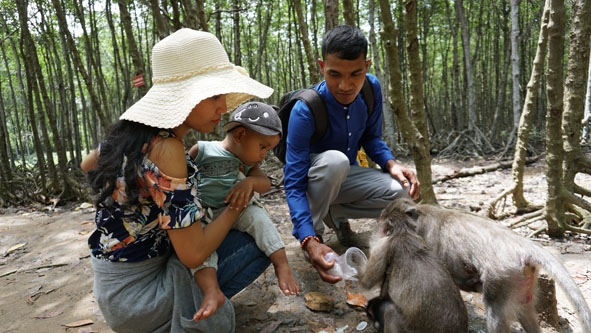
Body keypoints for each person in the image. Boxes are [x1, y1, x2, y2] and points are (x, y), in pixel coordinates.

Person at [80, 28, 275, 332]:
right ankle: (173, 316)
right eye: (213, 96)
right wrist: (239, 204)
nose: (223, 107)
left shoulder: (133, 135)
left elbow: (88, 163)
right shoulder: (167, 147)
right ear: (184, 96)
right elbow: (194, 253)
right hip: (139, 297)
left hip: (113, 289)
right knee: (258, 240)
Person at [282, 25, 421, 284]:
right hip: (316, 178)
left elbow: (371, 138)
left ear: (366, 66)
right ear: (322, 67)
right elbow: (294, 182)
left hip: (343, 179)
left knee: (401, 193)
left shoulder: (371, 89)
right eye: (334, 74)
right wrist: (308, 239)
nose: (345, 85)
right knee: (335, 161)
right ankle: (314, 237)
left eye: (355, 74)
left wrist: (390, 163)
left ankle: (337, 215)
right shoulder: (305, 109)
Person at [187, 101, 300, 297]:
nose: (264, 155)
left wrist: (250, 183)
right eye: (263, 147)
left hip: (235, 212)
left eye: (268, 150)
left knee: (258, 217)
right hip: (204, 215)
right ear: (239, 135)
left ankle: (282, 264)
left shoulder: (246, 163)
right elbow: (183, 177)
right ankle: (210, 290)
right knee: (203, 254)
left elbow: (265, 183)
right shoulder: (203, 150)